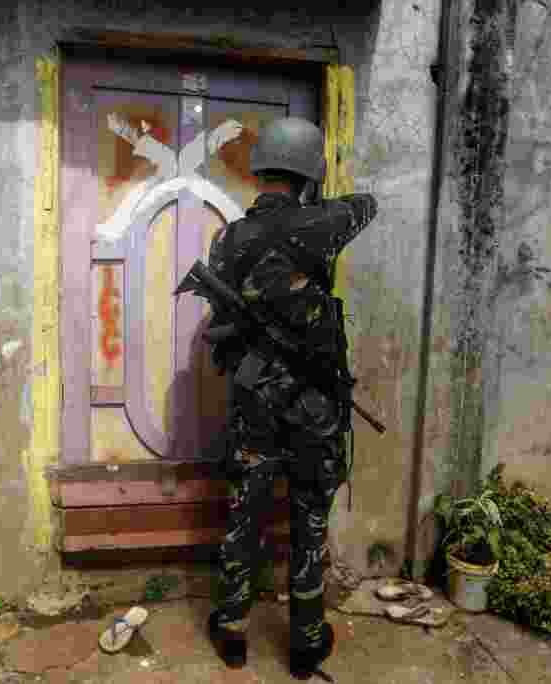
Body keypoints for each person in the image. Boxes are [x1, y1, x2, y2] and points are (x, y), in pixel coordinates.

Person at [203, 116, 378, 679]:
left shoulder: (228, 237)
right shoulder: (326, 221)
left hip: (255, 402)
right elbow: (367, 204)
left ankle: (232, 631)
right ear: (309, 174)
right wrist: (318, 193)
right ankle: (305, 642)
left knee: (243, 516)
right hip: (314, 407)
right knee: (309, 519)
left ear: (260, 170)